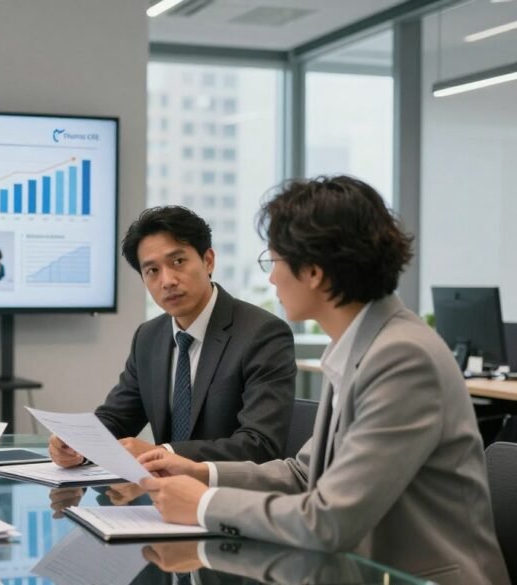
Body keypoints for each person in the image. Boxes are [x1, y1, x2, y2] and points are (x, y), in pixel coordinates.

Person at [138, 176, 509, 585]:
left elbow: (330, 521)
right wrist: (200, 472)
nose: (272, 280)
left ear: (313, 271)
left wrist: (205, 505)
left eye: (274, 261)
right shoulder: (358, 345)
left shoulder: (403, 357)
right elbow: (303, 474)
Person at [49, 206, 295, 468]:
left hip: (229, 500)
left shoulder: (262, 333)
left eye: (178, 261)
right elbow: (118, 418)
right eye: (152, 271)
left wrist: (164, 453)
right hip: (162, 500)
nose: (167, 281)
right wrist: (79, 445)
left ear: (208, 260)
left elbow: (259, 444)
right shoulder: (149, 337)